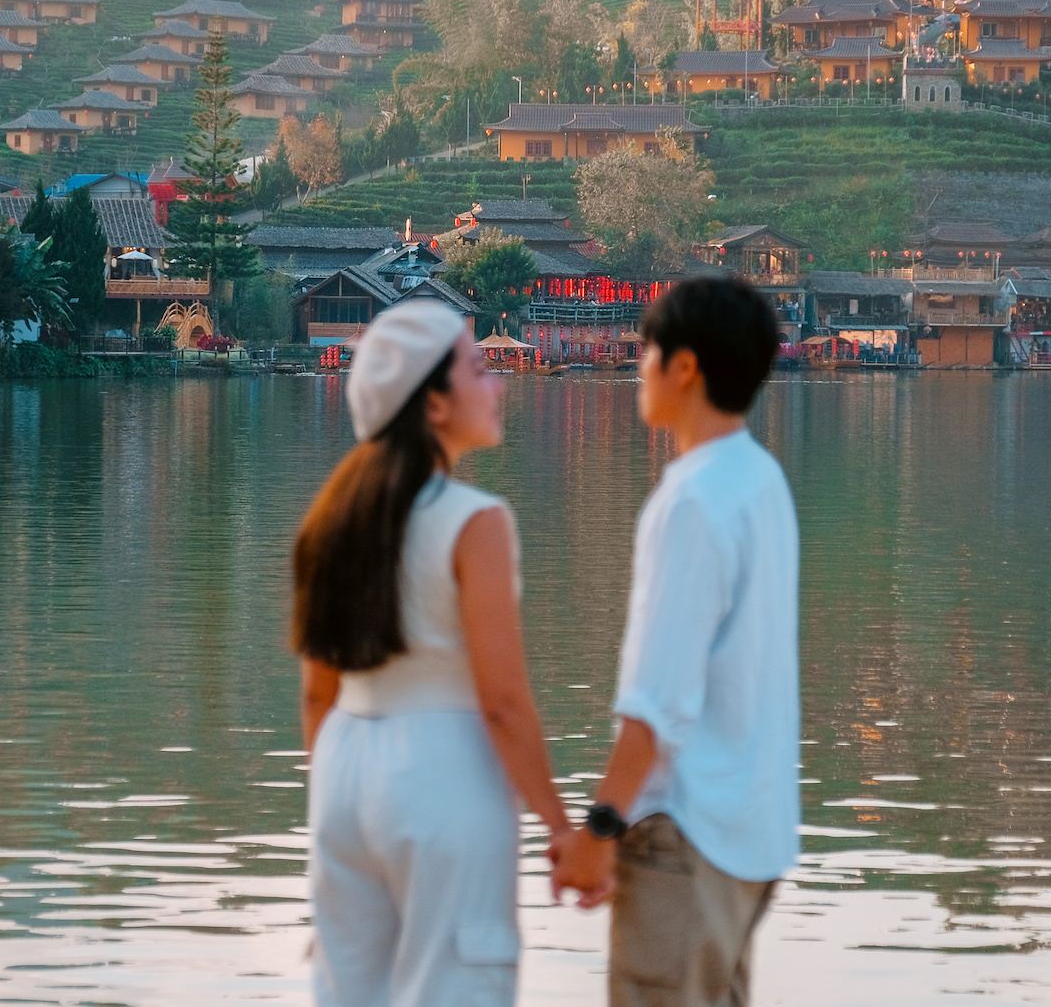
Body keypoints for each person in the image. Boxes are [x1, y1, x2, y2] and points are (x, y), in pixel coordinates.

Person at [293, 300, 571, 1007]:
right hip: (442, 776)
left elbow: (317, 694)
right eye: (480, 368)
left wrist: (335, 796)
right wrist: (563, 827)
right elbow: (503, 703)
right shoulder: (474, 522)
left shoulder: (329, 520)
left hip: (344, 774)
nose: (499, 382)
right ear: (436, 405)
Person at [552, 275, 800, 1006]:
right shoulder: (762, 480)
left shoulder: (689, 501)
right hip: (752, 836)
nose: (638, 368)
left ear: (685, 366)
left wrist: (599, 830)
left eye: (645, 351)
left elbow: (657, 706)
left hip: (684, 839)